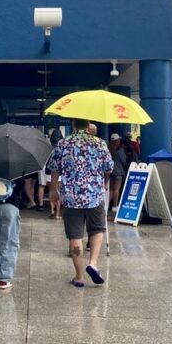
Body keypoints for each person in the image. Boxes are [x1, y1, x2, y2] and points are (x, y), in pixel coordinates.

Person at [48, 118, 113, 288]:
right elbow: (109, 168)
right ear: (88, 123)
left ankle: (79, 277)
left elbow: (54, 169)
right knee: (97, 229)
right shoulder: (99, 143)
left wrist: (53, 190)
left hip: (71, 197)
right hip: (94, 196)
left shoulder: (63, 144)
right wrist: (103, 182)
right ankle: (93, 263)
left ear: (73, 124)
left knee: (75, 235)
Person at [108, 133, 128, 214]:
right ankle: (115, 206)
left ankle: (107, 205)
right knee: (116, 189)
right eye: (119, 139)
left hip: (111, 171)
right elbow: (123, 160)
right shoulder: (120, 150)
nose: (120, 141)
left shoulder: (109, 149)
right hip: (118, 171)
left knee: (111, 190)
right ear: (117, 141)